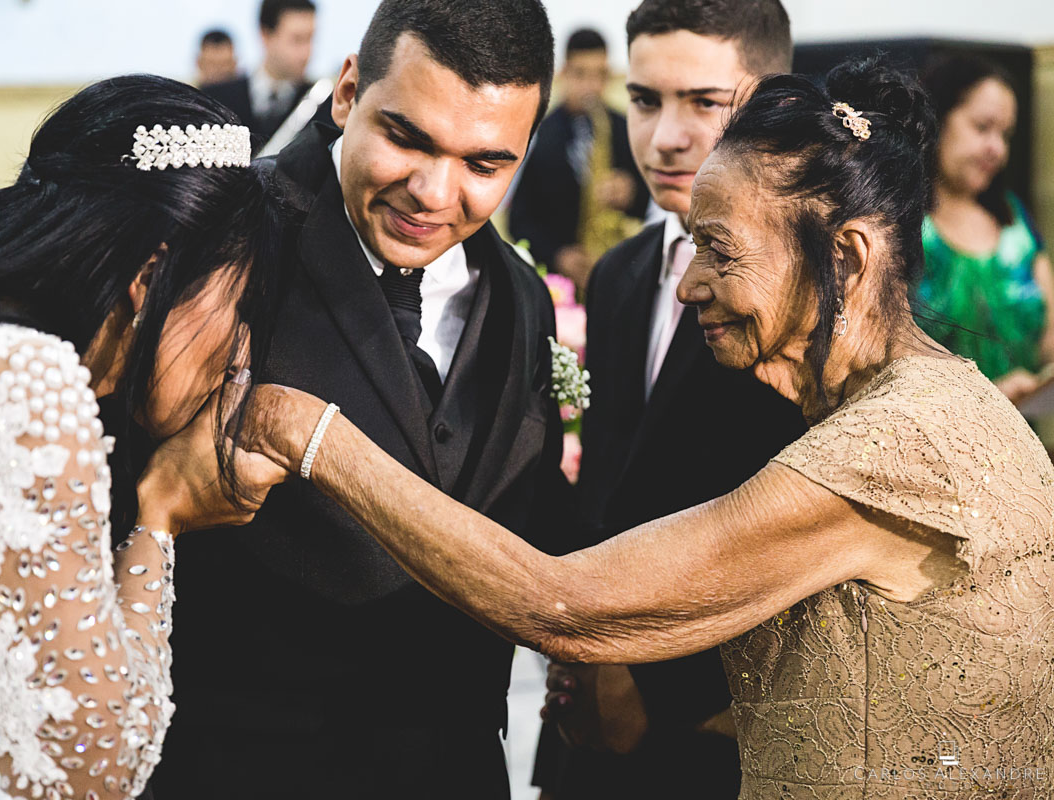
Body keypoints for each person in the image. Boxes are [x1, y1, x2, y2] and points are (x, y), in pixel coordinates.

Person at [196, 59, 1054, 798]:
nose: (689, 287)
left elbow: (562, 605)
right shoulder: (895, 411)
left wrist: (302, 428)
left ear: (848, 257)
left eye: (719, 251)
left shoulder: (898, 447)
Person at [149, 2, 568, 798]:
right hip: (246, 768)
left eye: (484, 164)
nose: (433, 192)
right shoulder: (225, 244)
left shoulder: (523, 298)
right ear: (347, 93)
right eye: (407, 138)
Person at [0, 75, 280, 800]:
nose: (242, 345)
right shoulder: (12, 376)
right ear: (152, 275)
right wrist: (161, 515)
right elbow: (92, 771)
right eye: (240, 298)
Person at [531, 2, 803, 797]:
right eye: (646, 100)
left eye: (703, 103)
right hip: (586, 725)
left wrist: (654, 689)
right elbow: (609, 500)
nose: (665, 136)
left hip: (726, 737)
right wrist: (586, 655)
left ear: (771, 99)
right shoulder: (616, 275)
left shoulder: (805, 294)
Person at [916, 54, 1054, 404]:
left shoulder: (1014, 220)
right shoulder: (901, 227)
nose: (998, 149)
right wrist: (987, 400)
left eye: (1005, 135)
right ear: (938, 119)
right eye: (982, 127)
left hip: (1021, 444)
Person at [509, 28, 649, 290]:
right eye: (581, 74)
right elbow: (519, 220)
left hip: (618, 273)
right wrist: (558, 256)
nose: (592, 86)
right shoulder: (539, 134)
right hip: (558, 282)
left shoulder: (626, 128)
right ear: (564, 73)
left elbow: (651, 203)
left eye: (600, 75)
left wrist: (632, 192)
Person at [202, 0, 317, 146]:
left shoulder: (324, 106)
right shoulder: (215, 98)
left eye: (311, 38)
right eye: (297, 39)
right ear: (265, 35)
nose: (307, 52)